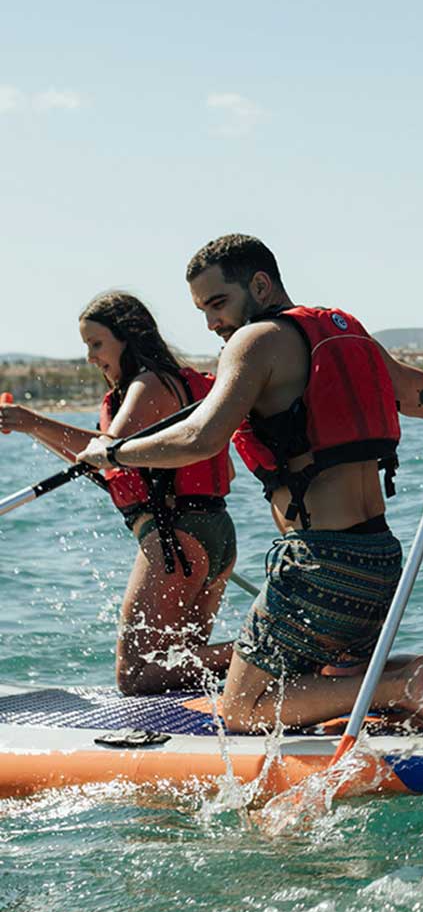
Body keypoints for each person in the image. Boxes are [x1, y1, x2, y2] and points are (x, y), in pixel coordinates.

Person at [77, 234, 423, 734]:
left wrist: (113, 451)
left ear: (260, 285)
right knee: (332, 678)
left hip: (319, 565)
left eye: (218, 303)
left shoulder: (254, 341)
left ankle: (401, 686)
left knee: (242, 708)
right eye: (202, 310)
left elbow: (201, 438)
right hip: (380, 558)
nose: (211, 323)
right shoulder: (345, 330)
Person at [0, 292, 237, 694]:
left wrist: (30, 419)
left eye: (96, 344)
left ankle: (273, 650)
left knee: (135, 674)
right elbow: (98, 458)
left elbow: (110, 451)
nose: (91, 357)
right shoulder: (175, 381)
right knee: (180, 670)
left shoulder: (147, 384)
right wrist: (32, 427)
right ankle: (264, 660)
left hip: (176, 540)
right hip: (213, 535)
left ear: (128, 337)